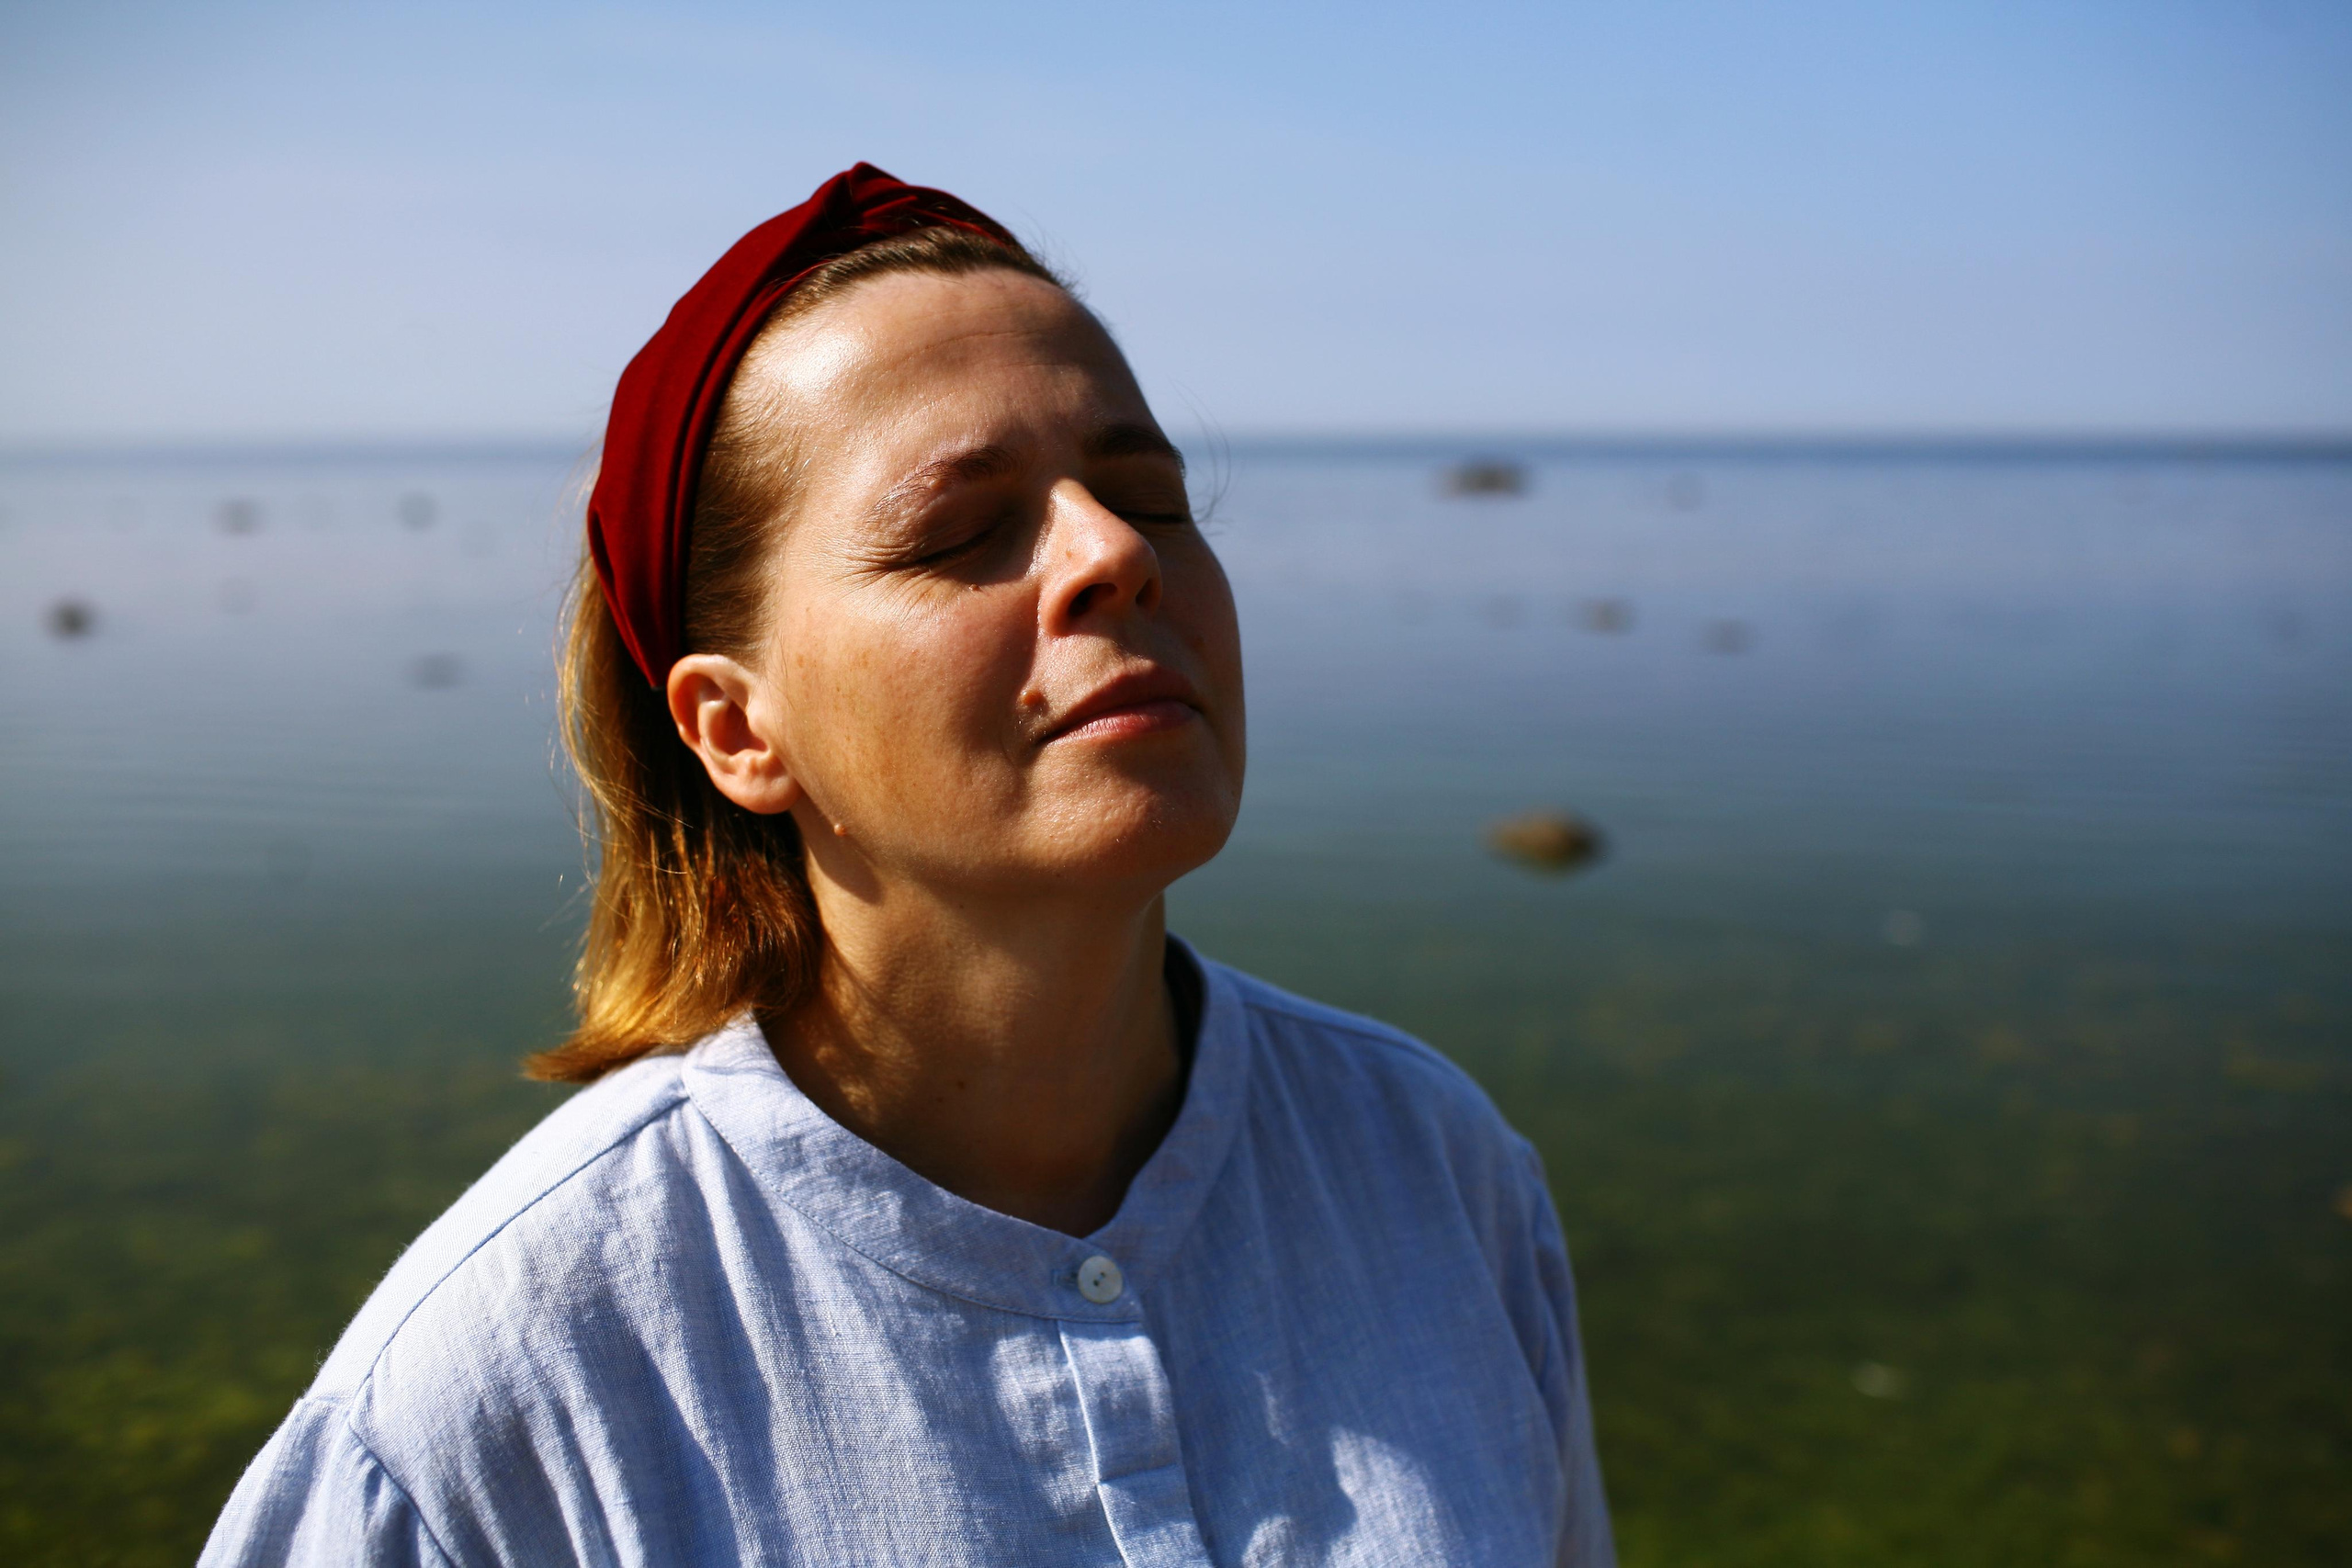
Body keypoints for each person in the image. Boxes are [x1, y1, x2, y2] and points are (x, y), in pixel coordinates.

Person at [200, 164, 1613, 1567]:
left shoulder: (1433, 1168)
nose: (1118, 553)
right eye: (960, 529)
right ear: (739, 730)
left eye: (1154, 499)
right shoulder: (493, 1392)